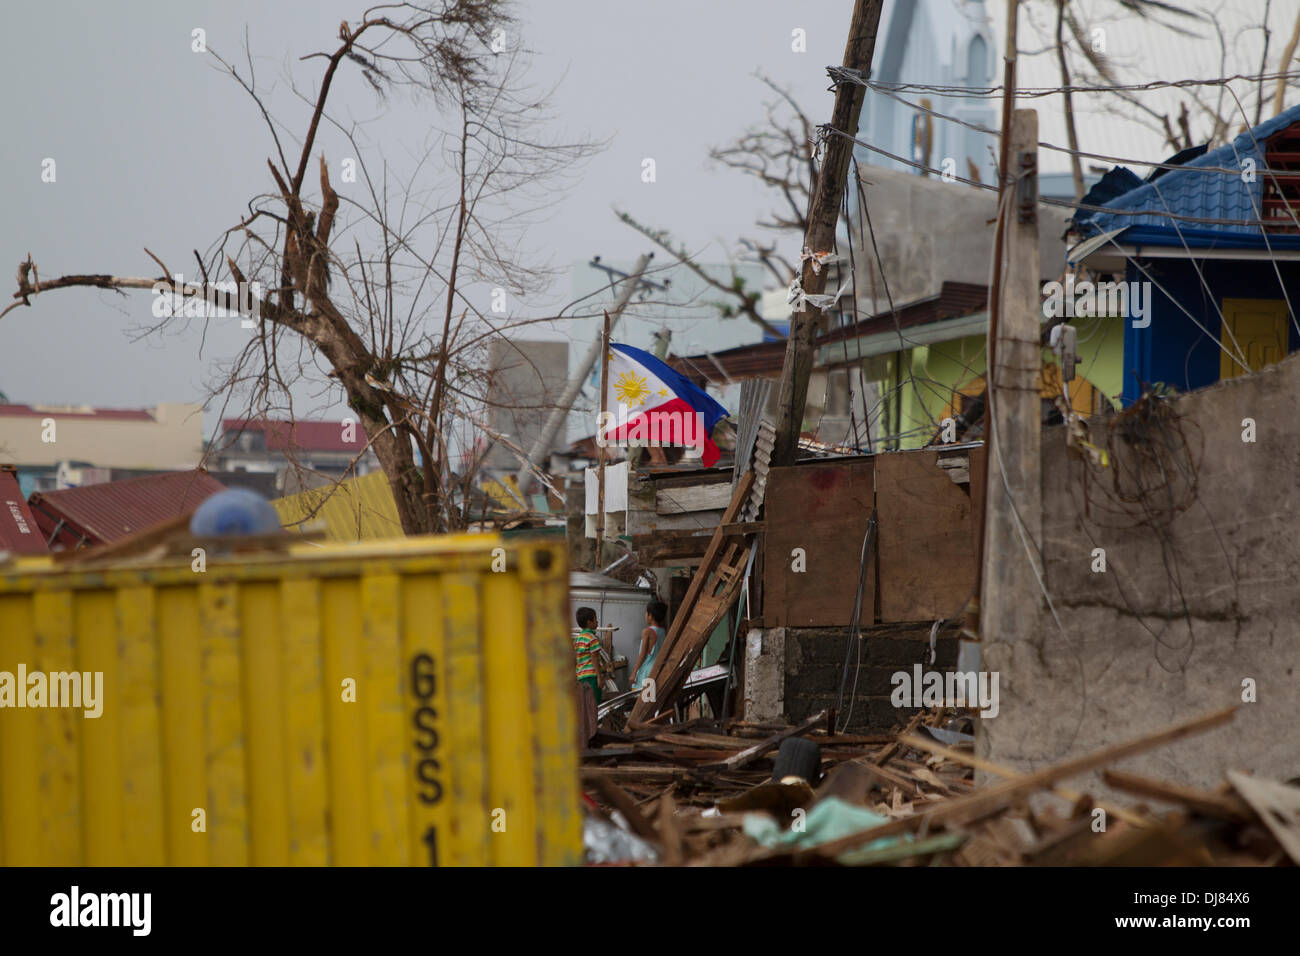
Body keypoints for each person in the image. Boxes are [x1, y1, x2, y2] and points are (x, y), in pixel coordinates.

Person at [631, 599, 668, 693]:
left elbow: (642, 655)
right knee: (652, 697)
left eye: (646, 613)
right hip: (657, 669)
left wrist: (634, 673)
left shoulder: (647, 632)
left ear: (650, 615)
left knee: (641, 698)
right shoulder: (662, 631)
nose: (645, 615)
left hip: (646, 671)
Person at [573, 606, 603, 705]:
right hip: (592, 677)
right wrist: (599, 677)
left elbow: (575, 659)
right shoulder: (592, 638)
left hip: (581, 677)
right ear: (589, 622)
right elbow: (594, 658)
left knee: (585, 704)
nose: (597, 622)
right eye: (595, 619)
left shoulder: (578, 639)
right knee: (595, 704)